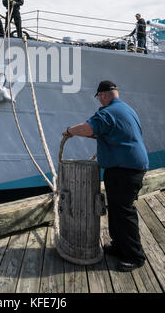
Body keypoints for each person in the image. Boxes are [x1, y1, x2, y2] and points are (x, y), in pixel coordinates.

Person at [62, 81, 149, 272]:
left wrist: (69, 131)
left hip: (124, 170)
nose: (99, 101)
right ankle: (119, 245)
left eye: (99, 97)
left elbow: (87, 128)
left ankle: (135, 256)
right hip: (128, 168)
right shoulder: (125, 109)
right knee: (117, 210)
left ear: (103, 95)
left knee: (124, 213)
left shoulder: (108, 112)